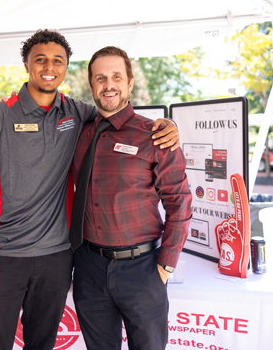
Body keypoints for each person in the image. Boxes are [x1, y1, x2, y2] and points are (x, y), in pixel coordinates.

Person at [0, 29, 180, 350]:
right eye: (40, 60)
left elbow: (118, 114)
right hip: (3, 254)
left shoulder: (78, 113)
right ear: (26, 65)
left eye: (58, 61)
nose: (49, 67)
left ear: (65, 68)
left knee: (43, 343)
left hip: (58, 257)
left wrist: (169, 124)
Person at [70, 46, 192, 350]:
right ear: (91, 84)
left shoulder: (155, 135)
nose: (108, 85)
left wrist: (166, 264)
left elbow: (179, 201)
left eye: (116, 77)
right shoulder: (78, 133)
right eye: (100, 78)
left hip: (143, 269)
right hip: (89, 267)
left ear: (130, 83)